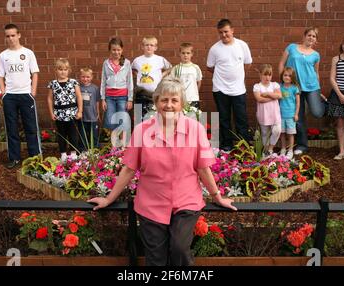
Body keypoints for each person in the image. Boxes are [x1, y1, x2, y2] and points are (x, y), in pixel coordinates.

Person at [89, 77, 237, 266]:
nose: (169, 105)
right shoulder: (142, 131)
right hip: (151, 203)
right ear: (156, 102)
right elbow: (128, 169)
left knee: (180, 249)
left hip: (186, 201)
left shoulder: (195, 129)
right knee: (156, 258)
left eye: (174, 100)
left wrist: (217, 197)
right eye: (164, 100)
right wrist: (109, 199)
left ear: (182, 103)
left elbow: (203, 168)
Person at [0, 23, 41, 169]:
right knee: (11, 128)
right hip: (10, 97)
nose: (10, 38)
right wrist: (3, 94)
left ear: (19, 35)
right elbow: (0, 76)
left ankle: (35, 157)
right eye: (7, 36)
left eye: (13, 35)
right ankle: (14, 158)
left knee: (31, 127)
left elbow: (34, 73)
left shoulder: (28, 53)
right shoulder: (3, 55)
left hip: (26, 95)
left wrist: (32, 92)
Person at [207, 18, 253, 151]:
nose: (224, 35)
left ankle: (243, 147)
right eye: (220, 32)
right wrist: (223, 75)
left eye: (226, 31)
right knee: (223, 118)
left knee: (241, 119)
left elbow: (247, 63)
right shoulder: (215, 49)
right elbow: (210, 67)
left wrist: (237, 75)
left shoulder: (242, 45)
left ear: (232, 30)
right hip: (220, 89)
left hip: (239, 90)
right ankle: (226, 146)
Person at [278, 27, 325, 155]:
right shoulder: (292, 47)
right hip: (294, 88)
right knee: (298, 118)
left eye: (314, 36)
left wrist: (319, 89)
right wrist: (282, 82)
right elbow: (282, 64)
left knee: (317, 112)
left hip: (312, 87)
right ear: (304, 36)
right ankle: (302, 145)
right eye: (309, 35)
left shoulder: (316, 55)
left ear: (316, 40)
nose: (311, 38)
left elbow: (316, 72)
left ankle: (326, 104)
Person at [46, 58, 83, 162]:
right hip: (59, 114)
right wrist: (51, 112)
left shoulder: (73, 82)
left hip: (72, 113)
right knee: (61, 134)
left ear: (69, 70)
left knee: (73, 134)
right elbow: (49, 98)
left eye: (65, 69)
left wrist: (80, 111)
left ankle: (73, 153)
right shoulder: (52, 84)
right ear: (56, 70)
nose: (63, 71)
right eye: (60, 69)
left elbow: (79, 97)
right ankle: (63, 153)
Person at [101, 37, 133, 146]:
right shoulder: (106, 63)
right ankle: (115, 146)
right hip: (109, 97)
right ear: (110, 50)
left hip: (122, 97)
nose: (116, 52)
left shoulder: (127, 63)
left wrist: (130, 99)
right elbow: (103, 81)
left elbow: (130, 82)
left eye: (118, 49)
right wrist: (103, 99)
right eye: (114, 50)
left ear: (122, 50)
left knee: (122, 121)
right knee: (111, 122)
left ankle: (123, 145)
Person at [132, 36, 172, 118]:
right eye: (146, 45)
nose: (149, 47)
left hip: (155, 94)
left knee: (154, 118)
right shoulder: (137, 60)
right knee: (139, 119)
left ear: (155, 48)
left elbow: (170, 68)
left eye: (151, 45)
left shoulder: (160, 59)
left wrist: (162, 75)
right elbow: (131, 69)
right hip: (141, 94)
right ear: (142, 47)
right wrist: (138, 74)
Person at [252, 64, 282, 157]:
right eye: (265, 74)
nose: (267, 77)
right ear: (260, 75)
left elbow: (280, 95)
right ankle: (266, 152)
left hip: (274, 114)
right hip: (263, 114)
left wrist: (267, 93)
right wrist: (273, 97)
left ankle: (270, 148)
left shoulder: (274, 85)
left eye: (269, 75)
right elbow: (259, 99)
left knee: (277, 130)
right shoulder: (257, 86)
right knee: (265, 133)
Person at [170, 42, 203, 108]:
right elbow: (172, 84)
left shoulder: (195, 67)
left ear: (192, 54)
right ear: (179, 54)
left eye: (188, 53)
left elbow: (199, 82)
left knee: (193, 117)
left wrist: (195, 93)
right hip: (179, 99)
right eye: (183, 53)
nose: (185, 55)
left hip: (193, 99)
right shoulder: (176, 68)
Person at [279, 67, 301, 159]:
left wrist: (296, 114)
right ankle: (283, 148)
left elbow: (297, 102)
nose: (287, 77)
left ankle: (290, 150)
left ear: (293, 78)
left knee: (290, 133)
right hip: (280, 115)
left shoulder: (294, 88)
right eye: (285, 75)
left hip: (291, 115)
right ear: (282, 76)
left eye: (289, 76)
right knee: (282, 133)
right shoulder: (279, 87)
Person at [79, 67, 101, 149]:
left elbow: (97, 101)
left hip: (92, 116)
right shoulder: (78, 88)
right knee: (83, 135)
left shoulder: (95, 88)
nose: (85, 79)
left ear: (91, 77)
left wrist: (98, 112)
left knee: (94, 135)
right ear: (80, 77)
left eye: (87, 77)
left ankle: (95, 149)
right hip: (82, 117)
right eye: (83, 77)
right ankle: (83, 150)